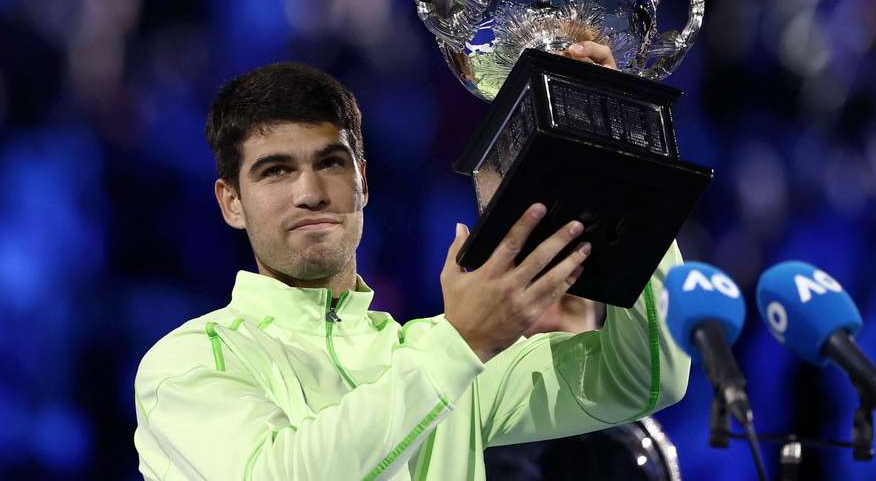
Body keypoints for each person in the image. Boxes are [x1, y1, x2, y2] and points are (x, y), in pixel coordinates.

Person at [133, 41, 690, 480]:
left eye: (331, 163)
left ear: (363, 183)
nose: (310, 192)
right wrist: (460, 344)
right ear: (231, 202)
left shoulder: (432, 355)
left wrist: (620, 162)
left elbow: (643, 379)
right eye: (275, 170)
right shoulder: (187, 363)